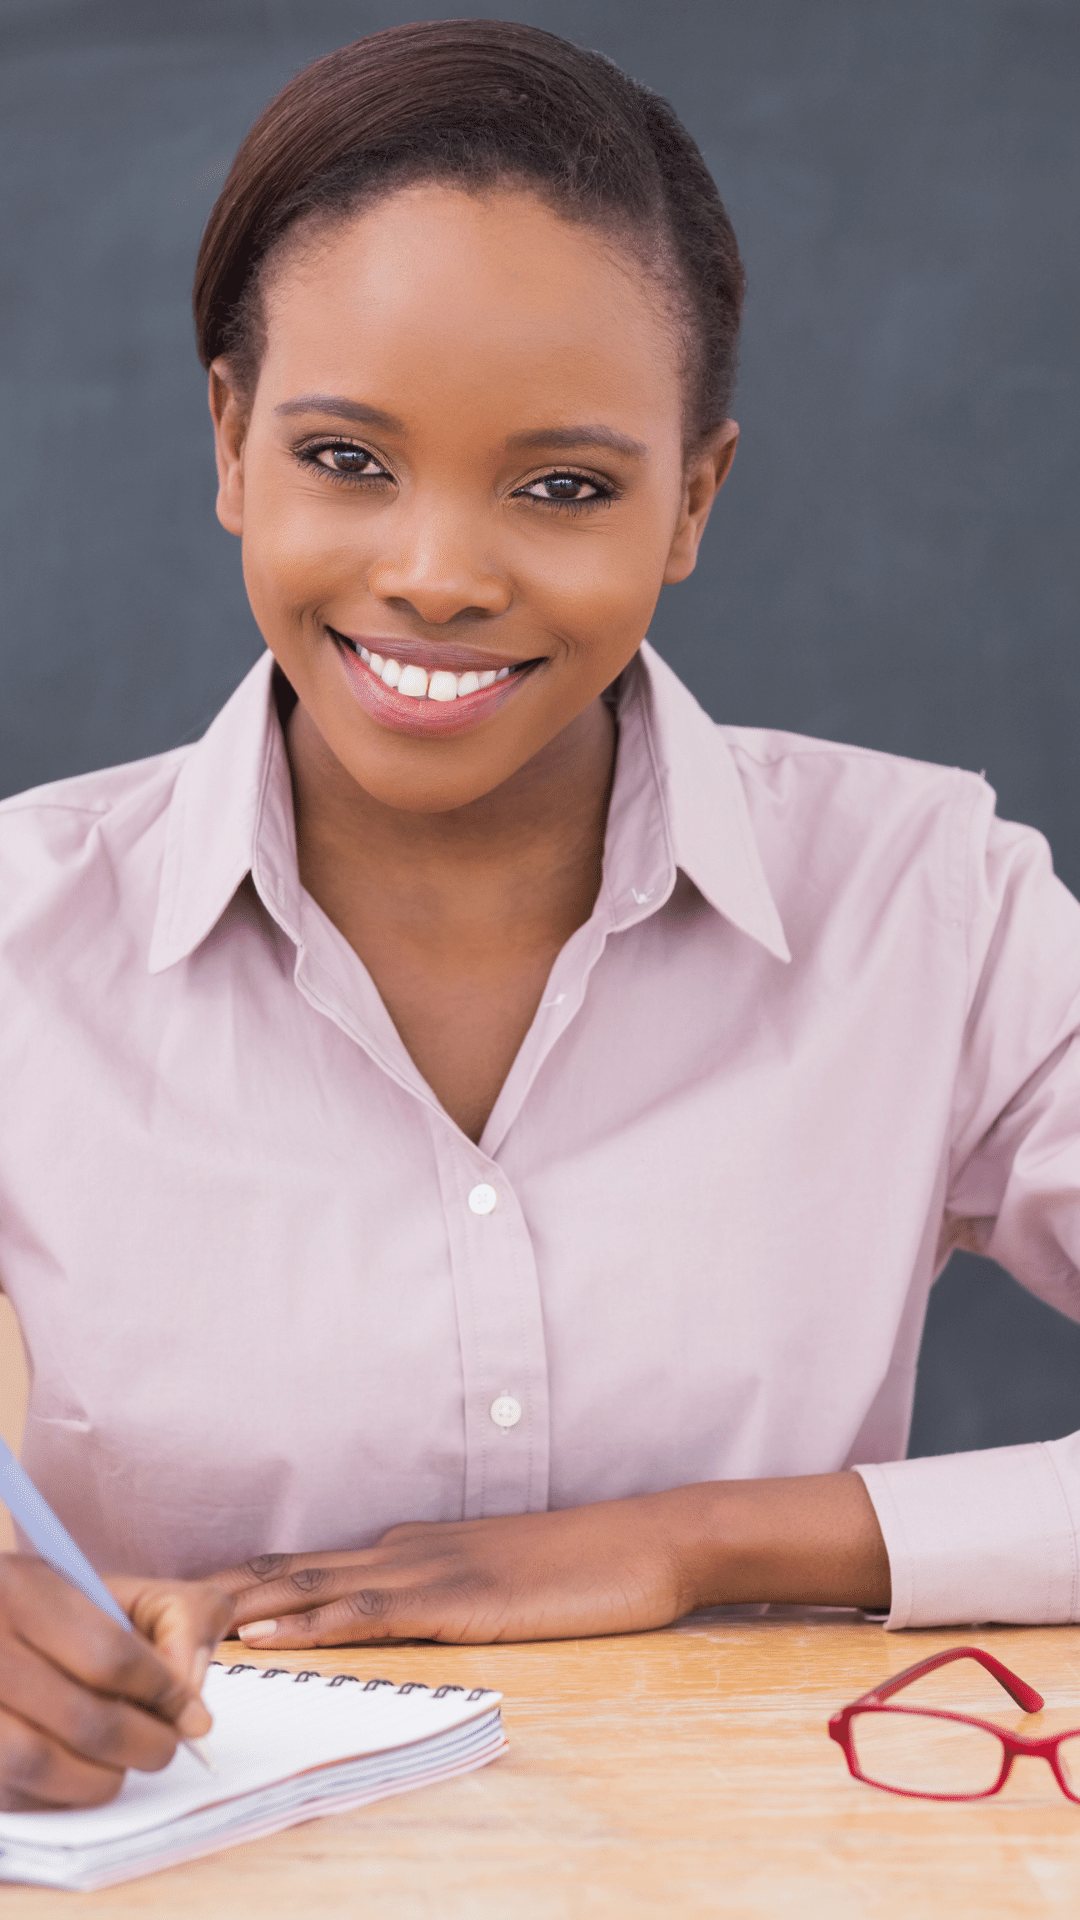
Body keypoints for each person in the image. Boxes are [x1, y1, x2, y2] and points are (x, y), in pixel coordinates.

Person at [0, 17, 1077, 1812]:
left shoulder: (933, 906)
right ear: (228, 442)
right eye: (345, 457)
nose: (436, 570)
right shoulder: (21, 943)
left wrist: (698, 1542)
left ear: (692, 502)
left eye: (563, 487)